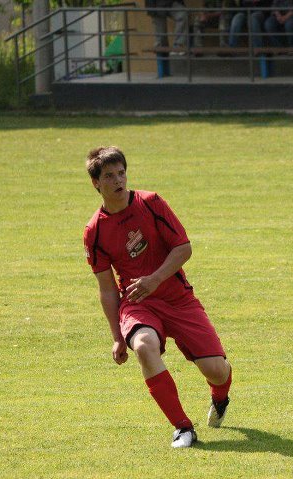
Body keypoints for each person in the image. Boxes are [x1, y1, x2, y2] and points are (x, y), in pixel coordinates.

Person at [83, 147, 233, 448]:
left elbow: (184, 248)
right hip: (138, 304)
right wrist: (116, 336)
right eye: (109, 176)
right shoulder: (94, 231)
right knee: (143, 345)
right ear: (96, 183)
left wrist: (154, 279)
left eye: (121, 173)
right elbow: (108, 289)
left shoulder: (151, 203)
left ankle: (220, 398)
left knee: (216, 371)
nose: (118, 180)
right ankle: (183, 428)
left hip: (178, 299)